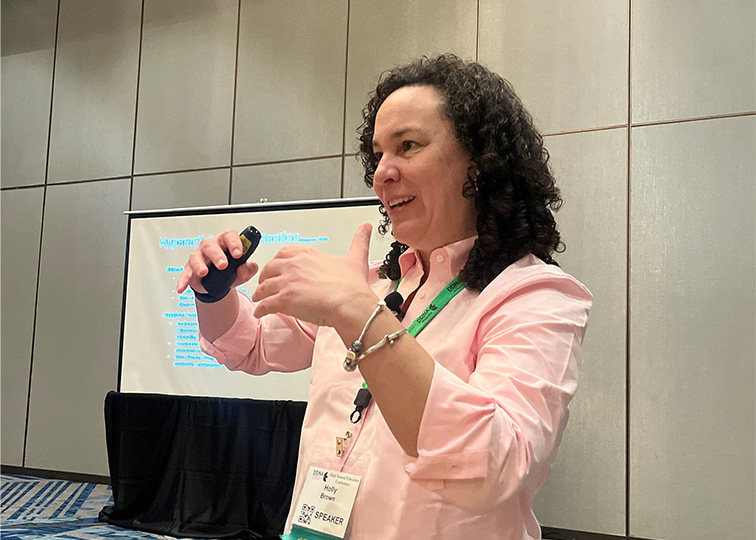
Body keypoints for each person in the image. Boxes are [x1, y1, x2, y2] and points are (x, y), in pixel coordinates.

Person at [177, 54, 592, 540]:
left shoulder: (535, 296)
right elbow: (249, 345)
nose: (380, 174)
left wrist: (358, 313)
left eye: (408, 146)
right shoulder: (372, 282)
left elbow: (496, 464)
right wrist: (214, 295)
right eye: (377, 156)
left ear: (480, 164)